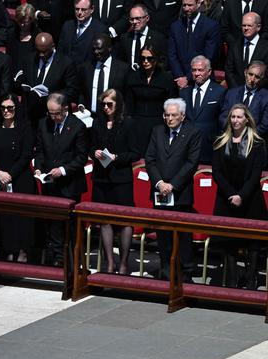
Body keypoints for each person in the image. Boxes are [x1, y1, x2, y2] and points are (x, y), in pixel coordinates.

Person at [144, 97, 201, 279]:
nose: (170, 119)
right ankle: (166, 271)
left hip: (180, 192)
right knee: (163, 234)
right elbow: (150, 159)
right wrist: (160, 183)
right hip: (160, 191)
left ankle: (185, 272)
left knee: (182, 235)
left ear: (182, 116)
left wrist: (173, 185)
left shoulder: (193, 132)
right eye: (167, 115)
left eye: (174, 115)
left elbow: (191, 163)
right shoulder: (157, 131)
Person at [212, 103, 267, 289]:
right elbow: (217, 172)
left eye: (239, 117)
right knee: (228, 240)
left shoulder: (257, 143)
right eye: (233, 117)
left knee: (252, 242)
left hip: (250, 198)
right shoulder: (221, 141)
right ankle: (232, 279)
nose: (235, 120)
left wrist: (241, 195)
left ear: (247, 119)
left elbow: (256, 174)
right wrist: (231, 194)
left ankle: (251, 278)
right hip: (226, 198)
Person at [33, 92, 88, 266]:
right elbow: (40, 151)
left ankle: (71, 260)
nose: (54, 117)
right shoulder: (43, 124)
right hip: (49, 183)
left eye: (57, 113)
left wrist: (63, 170)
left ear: (65, 109)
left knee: (68, 225)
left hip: (69, 184)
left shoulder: (78, 126)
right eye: (50, 113)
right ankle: (56, 258)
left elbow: (81, 157)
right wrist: (39, 168)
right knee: (52, 222)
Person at [91, 89, 140, 273]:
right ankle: (110, 262)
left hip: (121, 179)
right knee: (105, 220)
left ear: (117, 104)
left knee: (125, 220)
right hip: (102, 178)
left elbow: (135, 153)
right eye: (103, 104)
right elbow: (90, 146)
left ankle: (124, 262)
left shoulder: (128, 123)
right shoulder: (98, 122)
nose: (106, 108)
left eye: (109, 104)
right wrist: (94, 152)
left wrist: (116, 157)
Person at [0, 93, 36, 262]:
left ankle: (21, 251)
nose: (6, 111)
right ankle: (4, 249)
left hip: (20, 178)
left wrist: (10, 174)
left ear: (16, 108)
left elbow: (26, 155)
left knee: (19, 218)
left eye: (10, 108)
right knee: (1, 216)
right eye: (3, 108)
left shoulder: (26, 128)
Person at [19, 32, 78, 123]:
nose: (41, 55)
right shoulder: (29, 59)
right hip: (31, 114)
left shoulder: (66, 63)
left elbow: (71, 90)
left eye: (44, 51)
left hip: (53, 115)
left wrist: (51, 96)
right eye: (38, 51)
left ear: (52, 46)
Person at [125, 45, 176, 139]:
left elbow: (171, 103)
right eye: (143, 58)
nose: (145, 61)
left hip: (159, 123)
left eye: (150, 58)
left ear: (156, 59)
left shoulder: (166, 78)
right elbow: (129, 103)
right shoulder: (133, 77)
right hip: (137, 123)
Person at [168, 0, 220, 90]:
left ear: (198, 4)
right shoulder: (176, 26)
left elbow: (209, 56)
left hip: (201, 80)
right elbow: (172, 55)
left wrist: (188, 78)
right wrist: (180, 77)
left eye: (190, 5)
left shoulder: (211, 26)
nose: (186, 8)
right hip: (179, 81)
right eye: (184, 5)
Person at [182, 54, 225, 162]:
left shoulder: (219, 91)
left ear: (209, 72)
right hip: (187, 147)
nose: (197, 73)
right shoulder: (184, 92)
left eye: (200, 70)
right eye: (194, 70)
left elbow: (223, 120)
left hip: (209, 145)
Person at [78, 34, 129, 115]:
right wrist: (81, 104)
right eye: (94, 49)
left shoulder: (122, 69)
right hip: (90, 116)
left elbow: (127, 95)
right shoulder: (86, 68)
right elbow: (81, 91)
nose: (96, 52)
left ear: (109, 48)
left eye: (99, 48)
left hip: (113, 117)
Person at [221, 60, 268, 135]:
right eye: (250, 74)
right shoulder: (231, 93)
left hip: (253, 140)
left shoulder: (266, 97)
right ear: (245, 72)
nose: (252, 79)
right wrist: (234, 133)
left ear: (262, 78)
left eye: (257, 77)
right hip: (231, 137)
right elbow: (223, 118)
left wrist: (247, 136)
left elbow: (264, 125)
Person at [225, 12, 268, 88]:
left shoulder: (265, 47)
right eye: (243, 25)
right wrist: (237, 91)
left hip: (259, 93)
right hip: (237, 92)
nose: (246, 28)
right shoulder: (235, 45)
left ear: (258, 27)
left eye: (249, 25)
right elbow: (229, 71)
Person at [119, 4, 167, 69]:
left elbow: (163, 62)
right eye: (132, 19)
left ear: (147, 18)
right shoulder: (125, 38)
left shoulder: (158, 38)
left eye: (138, 18)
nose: (134, 22)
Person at [58, 0, 105, 64]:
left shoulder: (100, 29)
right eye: (77, 9)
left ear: (92, 9)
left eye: (83, 9)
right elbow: (60, 51)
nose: (79, 12)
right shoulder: (67, 26)